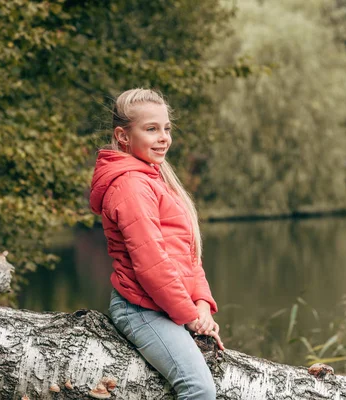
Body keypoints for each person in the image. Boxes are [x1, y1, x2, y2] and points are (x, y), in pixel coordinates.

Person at [89, 88, 224, 400]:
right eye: (151, 129)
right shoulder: (130, 186)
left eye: (166, 128)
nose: (163, 137)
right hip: (141, 308)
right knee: (199, 391)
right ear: (122, 136)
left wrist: (202, 303)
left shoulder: (153, 179)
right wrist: (189, 315)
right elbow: (152, 266)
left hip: (166, 306)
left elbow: (186, 251)